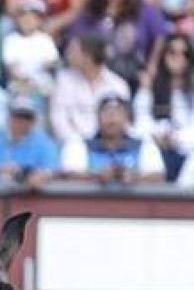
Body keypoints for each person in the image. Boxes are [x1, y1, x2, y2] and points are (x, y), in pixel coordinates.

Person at [66, 0, 170, 86]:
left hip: (133, 75)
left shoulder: (142, 9)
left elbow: (160, 34)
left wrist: (151, 66)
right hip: (94, 75)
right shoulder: (90, 11)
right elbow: (76, 39)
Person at [61, 93, 168, 182]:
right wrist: (96, 176)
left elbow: (158, 176)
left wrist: (134, 177)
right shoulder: (79, 143)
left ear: (126, 117)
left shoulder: (143, 144)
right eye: (106, 112)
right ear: (97, 117)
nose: (112, 118)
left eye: (117, 113)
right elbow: (68, 175)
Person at [49, 34, 129, 144]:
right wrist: (76, 143)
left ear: (88, 57)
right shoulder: (64, 80)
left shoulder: (118, 85)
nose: (68, 54)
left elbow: (122, 122)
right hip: (73, 145)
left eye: (73, 51)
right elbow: (59, 119)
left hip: (108, 146)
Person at [0, 95, 61, 187]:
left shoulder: (43, 142)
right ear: (9, 117)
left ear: (34, 121)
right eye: (18, 117)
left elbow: (52, 169)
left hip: (30, 197)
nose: (22, 122)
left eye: (27, 118)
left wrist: (41, 176)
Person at [136, 33, 192, 181]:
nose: (177, 58)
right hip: (156, 146)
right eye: (172, 52)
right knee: (147, 151)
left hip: (186, 149)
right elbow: (140, 120)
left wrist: (177, 138)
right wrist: (158, 134)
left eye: (183, 54)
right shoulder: (150, 86)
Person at [2, 0, 60, 101]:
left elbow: (52, 62)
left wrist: (37, 77)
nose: (28, 21)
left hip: (42, 83)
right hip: (19, 83)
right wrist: (23, 79)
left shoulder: (45, 40)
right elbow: (11, 67)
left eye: (33, 18)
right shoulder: (11, 40)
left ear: (40, 21)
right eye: (24, 17)